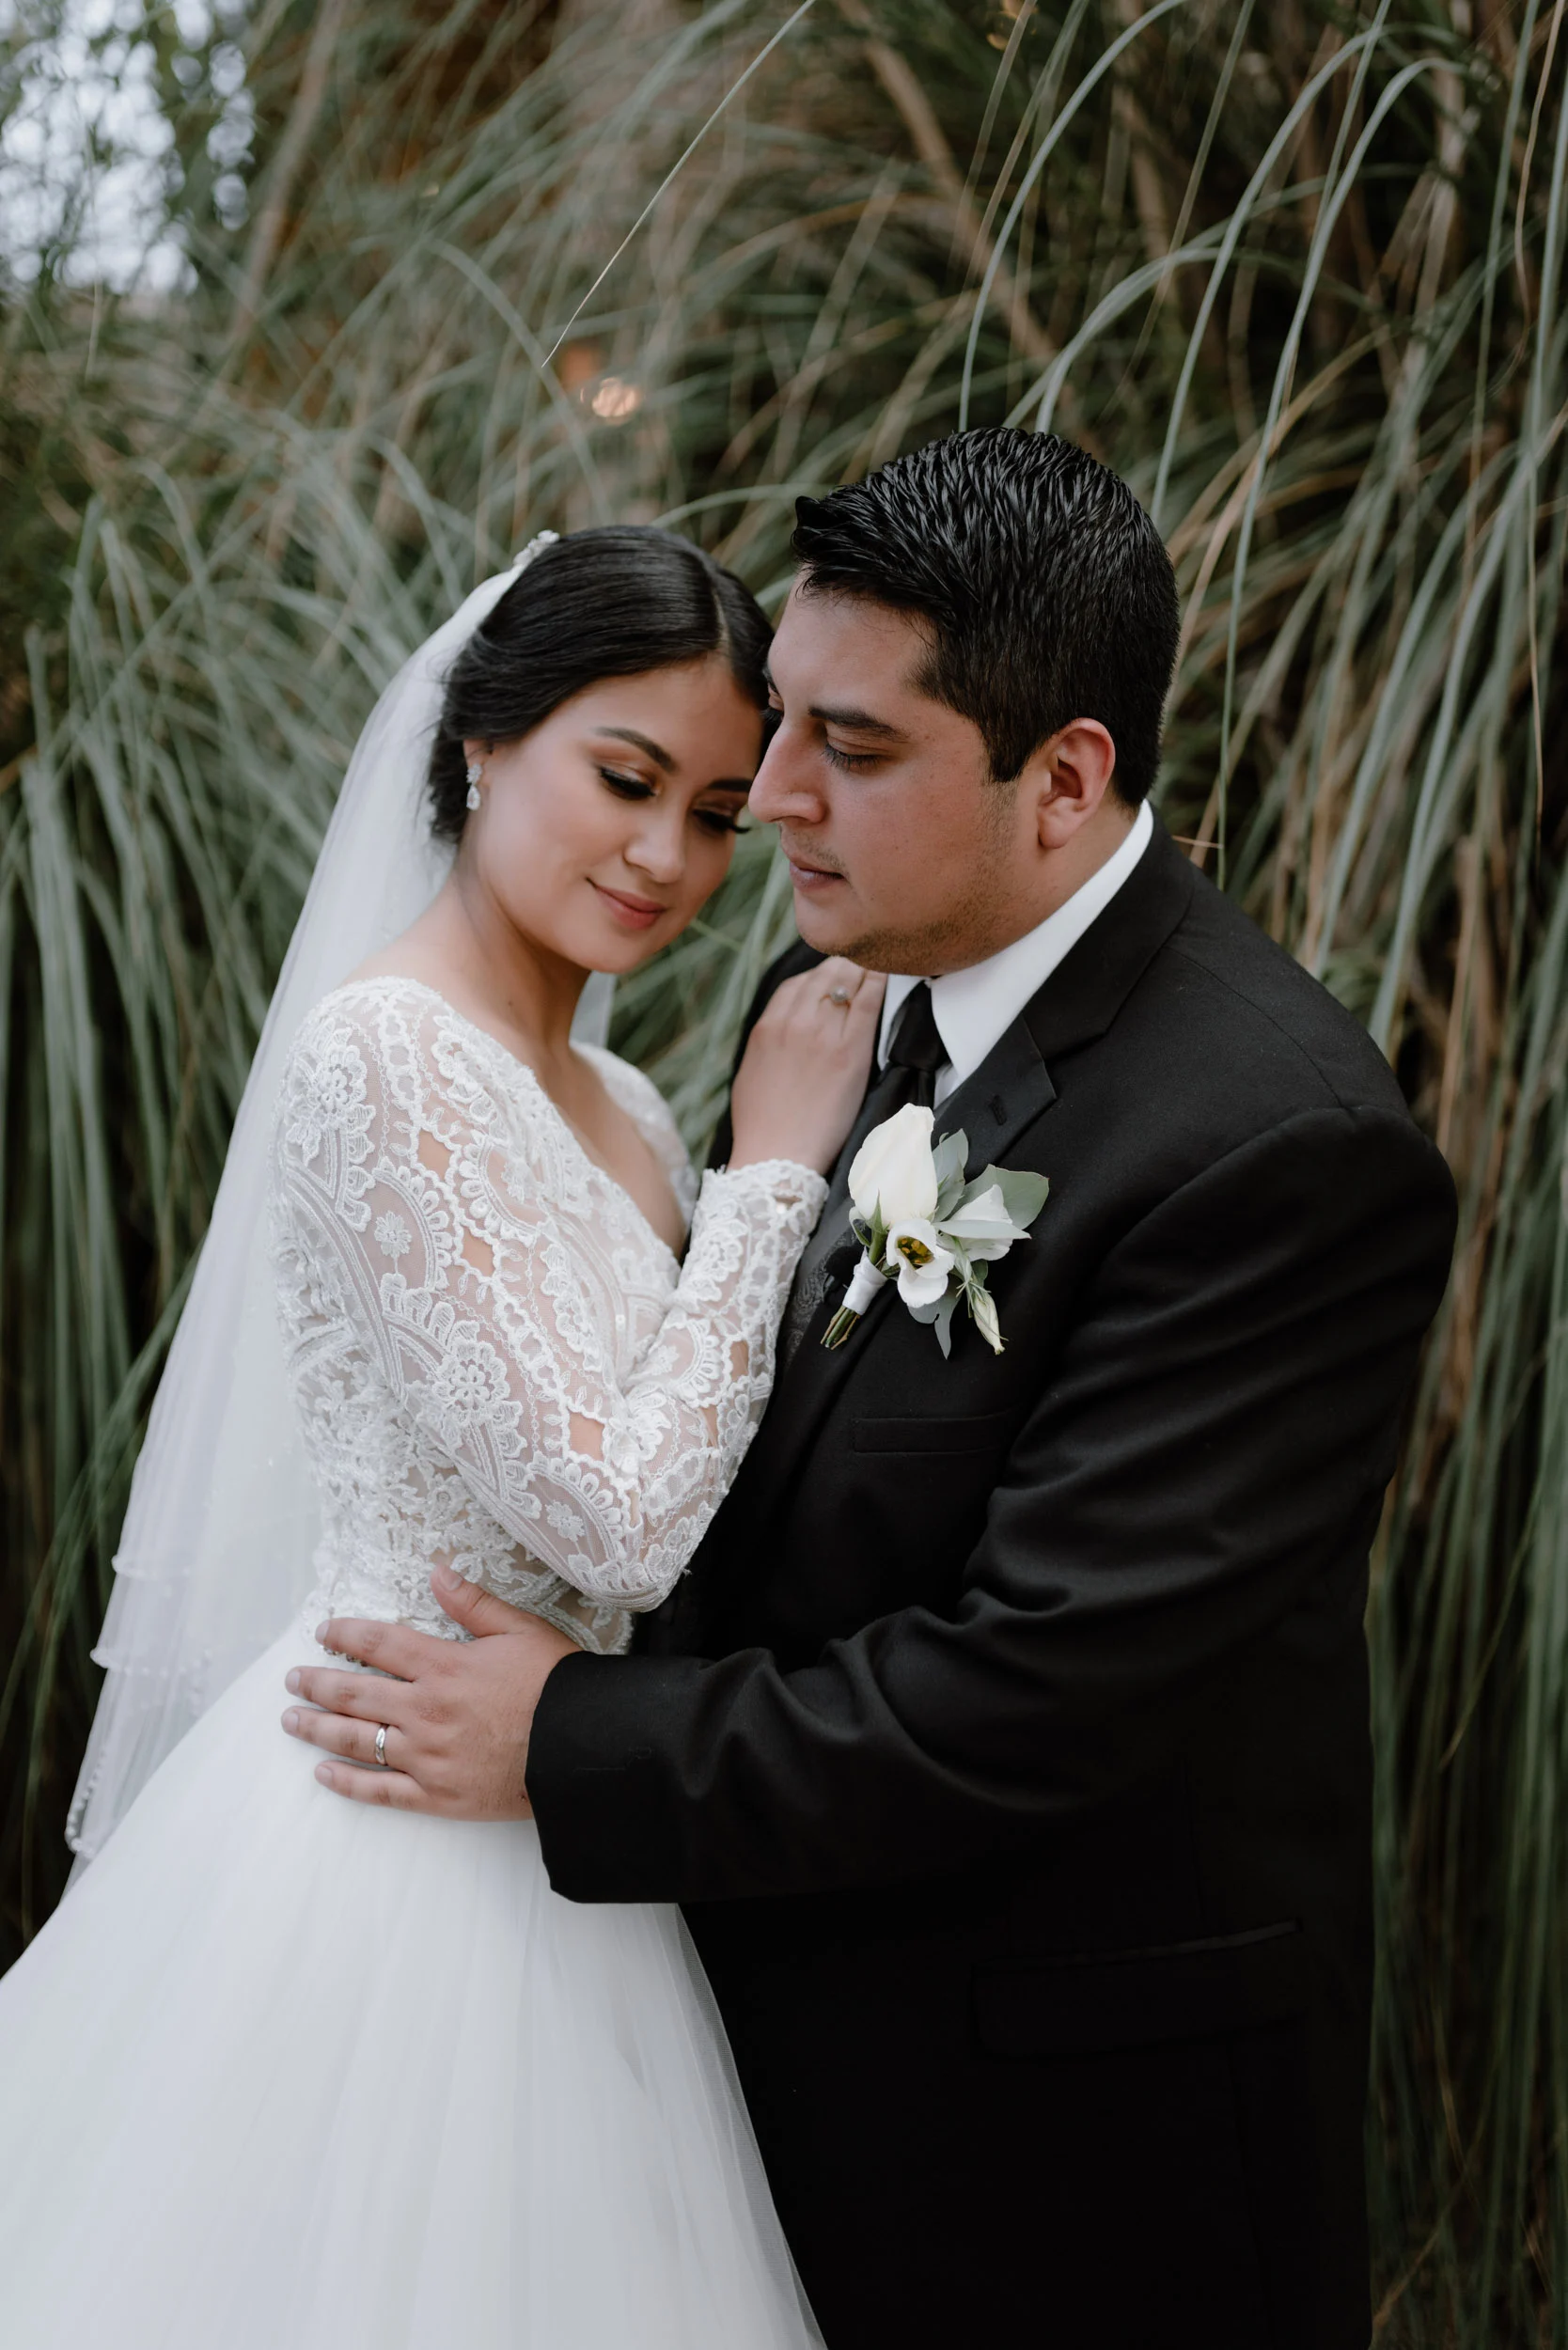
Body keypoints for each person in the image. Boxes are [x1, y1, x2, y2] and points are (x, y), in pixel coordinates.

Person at [290, 431, 1459, 2350]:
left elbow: (1024, 1693)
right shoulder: (868, 1013)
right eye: (780, 733)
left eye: (853, 745)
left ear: (1065, 778)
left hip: (1065, 2169)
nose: (773, 798)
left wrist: (571, 1734)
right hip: (752, 2092)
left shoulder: (1273, 1142)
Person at [0, 525, 886, 2348]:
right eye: (625, 778)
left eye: (718, 810)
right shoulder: (386, 1051)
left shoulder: (625, 1100)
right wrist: (780, 1174)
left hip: (562, 1806)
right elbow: (624, 1515)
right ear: (484, 740)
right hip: (390, 1833)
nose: (667, 856)